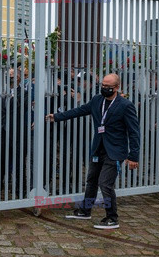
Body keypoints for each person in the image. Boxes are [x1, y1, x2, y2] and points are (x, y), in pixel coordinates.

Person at [46, 73, 139, 229]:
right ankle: (85, 211)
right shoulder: (97, 100)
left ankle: (112, 217)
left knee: (105, 184)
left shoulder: (125, 105)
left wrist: (133, 156)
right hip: (98, 148)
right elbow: (80, 110)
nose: (104, 88)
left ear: (116, 88)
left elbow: (134, 132)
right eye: (102, 85)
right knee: (91, 181)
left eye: (108, 87)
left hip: (115, 150)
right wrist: (57, 116)